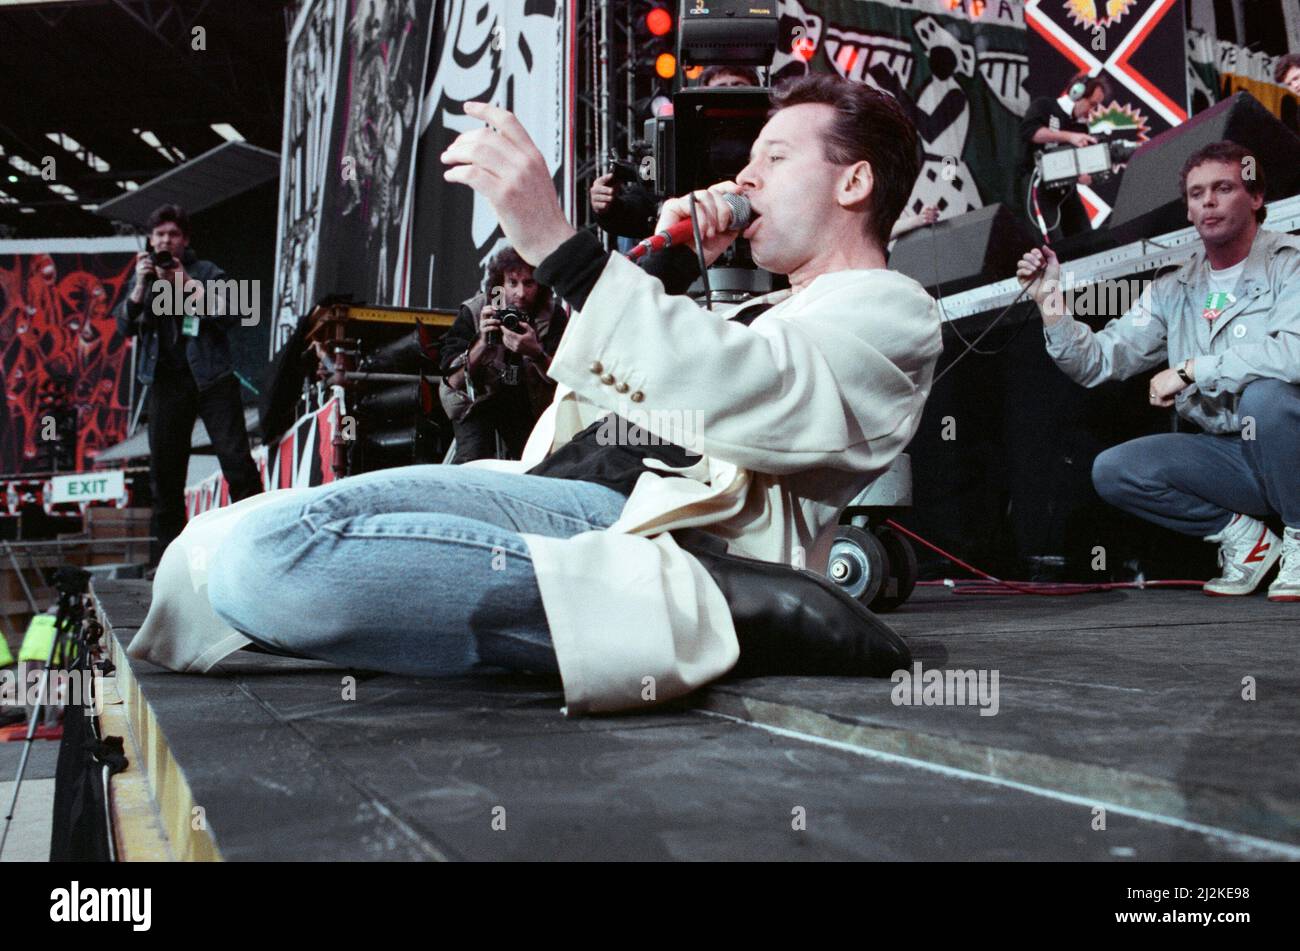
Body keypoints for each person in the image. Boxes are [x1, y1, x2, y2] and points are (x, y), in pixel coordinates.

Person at [136, 74, 941, 715]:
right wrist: (665, 256)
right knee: (209, 552)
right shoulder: (750, 309)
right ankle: (646, 618)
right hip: (561, 488)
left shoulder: (891, 307)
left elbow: (766, 392)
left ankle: (716, 610)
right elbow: (607, 377)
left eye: (775, 158)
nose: (745, 177)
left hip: (638, 523)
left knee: (263, 562)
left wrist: (561, 244)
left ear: (854, 182)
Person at [1016, 141, 1300, 601]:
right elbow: (1098, 362)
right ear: (1187, 210)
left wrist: (1191, 370)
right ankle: (1248, 542)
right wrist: (1050, 300)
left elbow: (1293, 354)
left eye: (1224, 188)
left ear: (1256, 197)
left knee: (1266, 399)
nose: (1208, 202)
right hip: (1236, 458)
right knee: (1116, 469)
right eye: (1196, 193)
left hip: (1288, 444)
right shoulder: (1174, 287)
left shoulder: (1291, 263)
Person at [113, 204, 261, 565]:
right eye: (160, 234)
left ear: (185, 240)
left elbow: (233, 312)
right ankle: (170, 564)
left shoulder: (206, 272)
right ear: (151, 240)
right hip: (166, 383)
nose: (166, 240)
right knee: (165, 476)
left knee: (236, 462)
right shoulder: (143, 277)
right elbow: (124, 326)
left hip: (212, 379)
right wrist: (140, 286)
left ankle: (256, 548)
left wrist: (185, 284)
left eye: (173, 234)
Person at [588, 65, 763, 240]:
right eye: (721, 87)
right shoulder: (678, 143)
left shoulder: (771, 138)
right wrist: (609, 207)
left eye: (738, 85)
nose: (729, 92)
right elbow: (644, 205)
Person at [438, 247, 564, 462]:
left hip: (527, 401)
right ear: (500, 284)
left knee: (537, 462)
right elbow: (453, 381)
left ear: (540, 285)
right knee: (474, 461)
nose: (521, 293)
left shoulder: (551, 316)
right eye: (512, 283)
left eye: (529, 283)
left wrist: (536, 353)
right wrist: (482, 343)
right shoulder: (477, 310)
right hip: (478, 400)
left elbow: (563, 377)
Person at [1016, 72, 1111, 239]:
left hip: (1066, 190)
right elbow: (1031, 132)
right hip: (1038, 185)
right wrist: (1069, 137)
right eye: (1091, 104)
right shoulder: (1045, 106)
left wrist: (1086, 176)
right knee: (1052, 240)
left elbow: (1080, 167)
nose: (1092, 111)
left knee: (1085, 237)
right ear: (1077, 94)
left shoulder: (1081, 127)